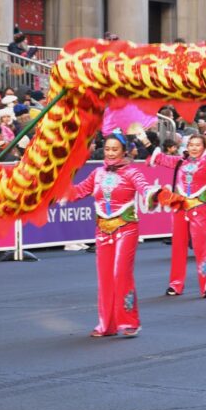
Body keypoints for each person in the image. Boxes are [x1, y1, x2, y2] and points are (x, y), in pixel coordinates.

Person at [67, 131, 153, 337]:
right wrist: (56, 187)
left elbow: (146, 188)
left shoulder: (133, 173)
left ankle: (129, 321)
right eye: (107, 149)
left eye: (115, 149)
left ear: (124, 151)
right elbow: (78, 191)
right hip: (102, 229)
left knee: (120, 274)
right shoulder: (97, 173)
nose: (111, 153)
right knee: (105, 277)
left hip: (126, 228)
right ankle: (107, 324)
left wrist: (153, 194)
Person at [150, 133, 206, 297]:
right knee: (178, 246)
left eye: (198, 145)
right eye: (191, 144)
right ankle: (175, 284)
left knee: (200, 247)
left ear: (204, 147)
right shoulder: (180, 162)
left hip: (199, 208)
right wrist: (145, 141)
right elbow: (160, 158)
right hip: (179, 207)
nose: (194, 148)